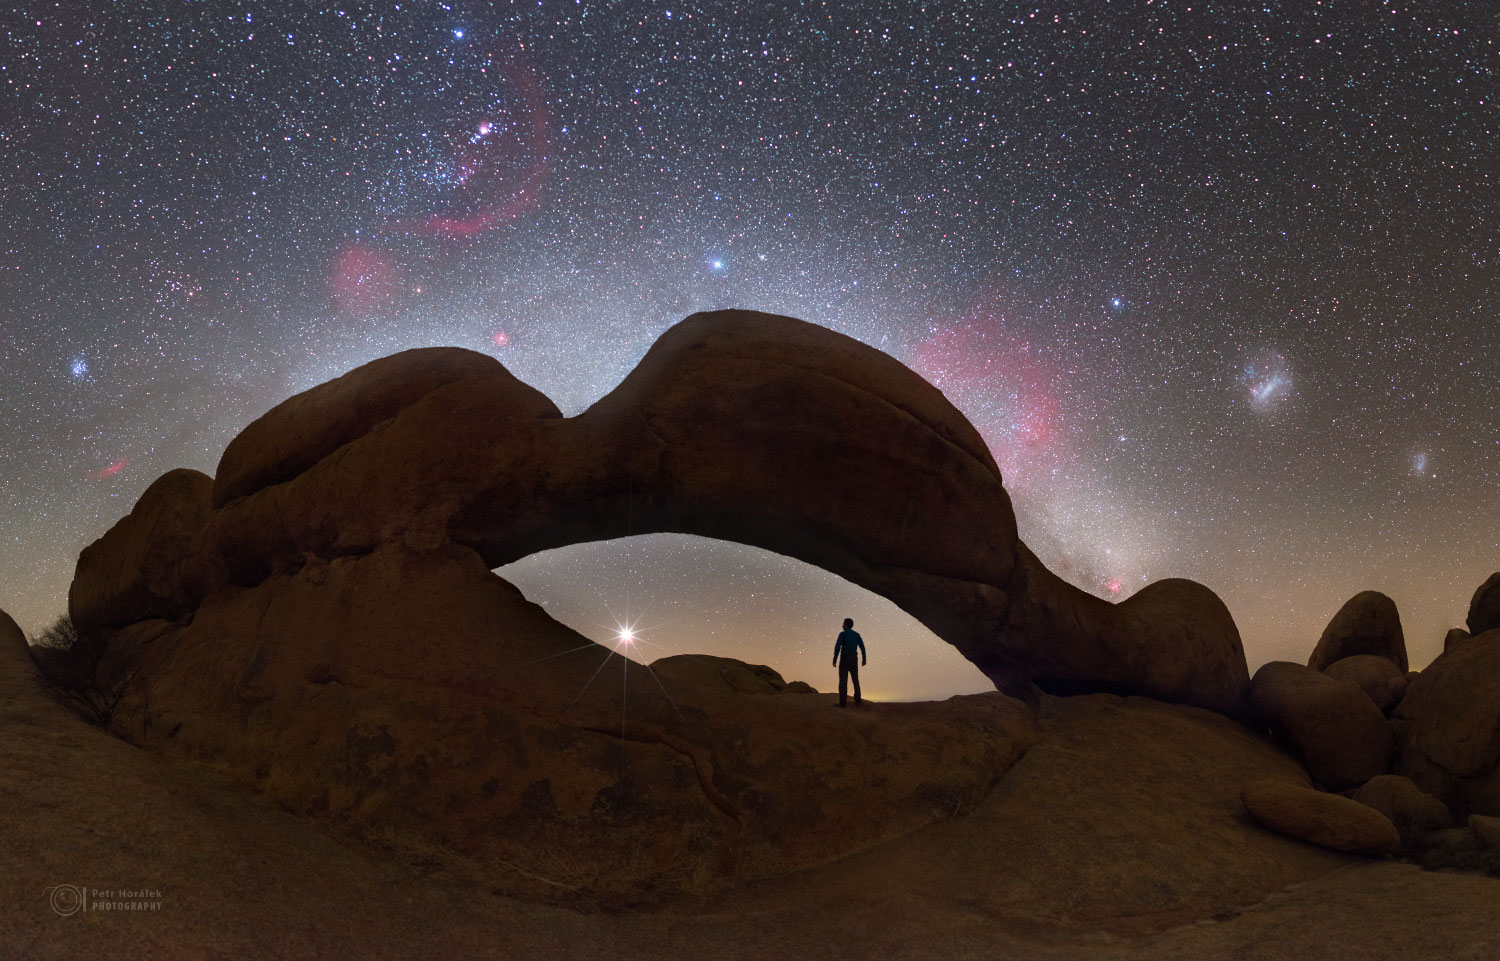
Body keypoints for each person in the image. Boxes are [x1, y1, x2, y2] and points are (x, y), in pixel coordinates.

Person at [831, 617, 867, 707]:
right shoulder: (856, 635)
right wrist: (864, 659)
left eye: (843, 623)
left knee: (843, 681)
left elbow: (837, 647)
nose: (842, 625)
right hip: (854, 659)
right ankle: (858, 699)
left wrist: (835, 659)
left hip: (845, 659)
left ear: (846, 625)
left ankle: (842, 703)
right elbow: (862, 647)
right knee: (855, 679)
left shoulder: (842, 634)